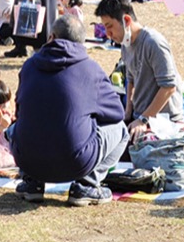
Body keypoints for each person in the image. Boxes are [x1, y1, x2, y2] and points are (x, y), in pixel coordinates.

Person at [10, 13, 127, 206]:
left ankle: (31, 183)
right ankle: (87, 185)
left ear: (51, 37)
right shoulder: (90, 69)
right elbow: (117, 114)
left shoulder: (29, 65)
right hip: (76, 161)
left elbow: (20, 111)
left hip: (28, 160)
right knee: (121, 130)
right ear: (82, 43)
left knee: (14, 128)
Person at [94, 0, 184, 143]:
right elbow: (130, 79)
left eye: (109, 26)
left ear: (126, 20)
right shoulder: (125, 44)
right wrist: (128, 112)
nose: (108, 34)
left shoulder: (153, 42)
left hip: (165, 123)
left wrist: (143, 119)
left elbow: (169, 87)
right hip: (140, 119)